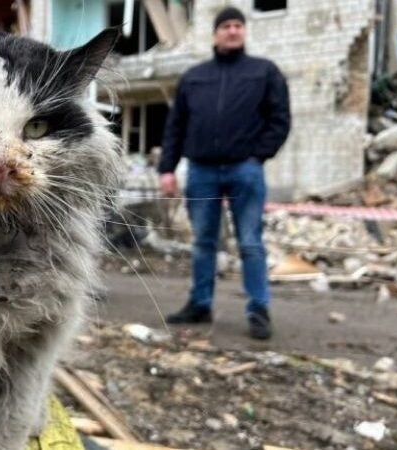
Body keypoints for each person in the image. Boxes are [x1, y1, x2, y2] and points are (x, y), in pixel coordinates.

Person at [158, 7, 291, 340]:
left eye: (238, 25)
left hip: (244, 170)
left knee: (250, 242)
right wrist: (167, 169)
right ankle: (200, 304)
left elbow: (280, 119)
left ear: (243, 31)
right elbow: (176, 126)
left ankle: (258, 309)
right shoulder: (194, 77)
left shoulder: (264, 72)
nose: (233, 30)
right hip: (201, 171)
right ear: (215, 33)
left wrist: (258, 156)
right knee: (203, 241)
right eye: (226, 26)